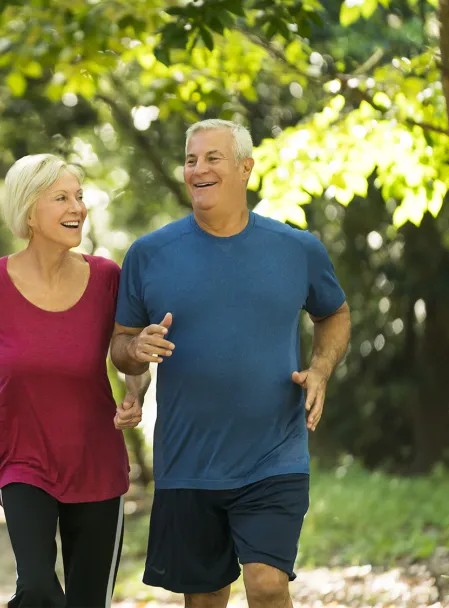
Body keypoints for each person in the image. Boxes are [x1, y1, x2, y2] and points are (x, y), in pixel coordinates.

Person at [110, 119, 351, 608]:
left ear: (245, 168)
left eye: (212, 158)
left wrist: (321, 370)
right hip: (187, 461)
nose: (198, 168)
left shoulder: (296, 249)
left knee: (267, 585)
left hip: (273, 455)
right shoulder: (149, 254)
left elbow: (335, 314)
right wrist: (135, 352)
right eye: (191, 159)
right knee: (204, 600)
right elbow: (121, 344)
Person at [0, 153, 144, 608]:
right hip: (24, 460)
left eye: (78, 197)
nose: (77, 207)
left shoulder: (107, 279)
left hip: (95, 459)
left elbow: (128, 355)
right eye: (61, 198)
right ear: (29, 212)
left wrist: (135, 394)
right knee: (36, 587)